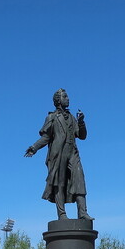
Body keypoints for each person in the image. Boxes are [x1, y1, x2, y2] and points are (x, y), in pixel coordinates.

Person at [24, 88, 91, 220]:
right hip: (58, 154)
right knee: (58, 183)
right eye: (65, 97)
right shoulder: (52, 117)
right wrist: (34, 147)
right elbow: (46, 138)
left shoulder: (72, 118)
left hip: (73, 153)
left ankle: (82, 212)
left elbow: (82, 136)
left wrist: (81, 122)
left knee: (79, 179)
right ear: (58, 100)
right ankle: (62, 214)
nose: (68, 99)